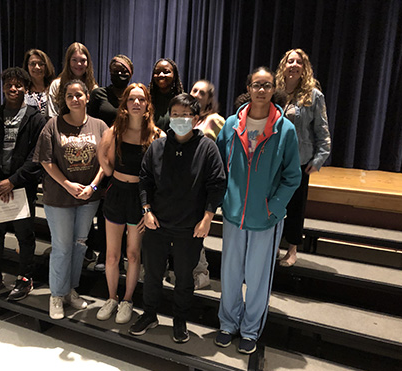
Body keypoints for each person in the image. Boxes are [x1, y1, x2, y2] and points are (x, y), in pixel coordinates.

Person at [215, 67, 301, 354]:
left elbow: (292, 176)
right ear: (248, 88)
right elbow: (217, 167)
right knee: (229, 274)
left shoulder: (285, 129)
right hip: (233, 214)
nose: (261, 90)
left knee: (257, 276)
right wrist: (225, 198)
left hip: (266, 218)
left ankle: (250, 330)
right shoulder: (230, 125)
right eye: (256, 85)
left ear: (273, 88)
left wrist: (273, 207)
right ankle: (227, 324)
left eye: (267, 85)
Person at [129, 93, 226, 343]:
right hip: (157, 223)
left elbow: (217, 185)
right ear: (169, 117)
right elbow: (145, 180)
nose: (180, 119)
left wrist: (207, 218)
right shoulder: (157, 146)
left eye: (186, 115)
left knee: (184, 278)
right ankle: (149, 314)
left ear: (195, 119)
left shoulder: (207, 148)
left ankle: (180, 319)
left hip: (189, 227)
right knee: (152, 274)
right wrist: (146, 211)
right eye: (175, 114)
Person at [33, 79, 107, 319]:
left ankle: (70, 291)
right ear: (63, 100)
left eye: (78, 95)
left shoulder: (100, 126)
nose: (74, 99)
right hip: (59, 198)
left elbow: (107, 162)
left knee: (79, 245)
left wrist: (93, 186)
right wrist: (67, 184)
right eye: (69, 96)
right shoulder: (52, 126)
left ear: (87, 97)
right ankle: (56, 295)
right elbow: (46, 161)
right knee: (62, 247)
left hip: (88, 198)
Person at [96, 83, 164, 324]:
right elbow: (104, 164)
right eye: (132, 99)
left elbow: (159, 175)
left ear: (148, 104)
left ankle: (127, 300)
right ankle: (112, 297)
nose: (136, 103)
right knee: (112, 255)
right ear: (124, 103)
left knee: (133, 255)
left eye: (141, 100)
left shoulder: (157, 135)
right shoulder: (114, 132)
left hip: (140, 198)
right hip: (116, 193)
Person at [0, 67, 46, 300]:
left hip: (21, 188)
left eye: (18, 85)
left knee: (24, 236)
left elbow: (37, 157)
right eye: (9, 85)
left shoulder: (36, 119)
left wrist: (12, 181)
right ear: (3, 87)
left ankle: (24, 278)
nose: (13, 89)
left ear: (26, 89)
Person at [275, 49, 331, 267]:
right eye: (290, 61)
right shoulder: (275, 91)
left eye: (299, 62)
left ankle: (292, 249)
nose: (294, 65)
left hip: (299, 159)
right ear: (284, 65)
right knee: (275, 204)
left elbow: (322, 129)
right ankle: (272, 245)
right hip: (275, 159)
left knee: (296, 207)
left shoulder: (314, 95)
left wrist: (318, 159)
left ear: (304, 67)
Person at [88, 55, 134, 272]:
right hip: (103, 158)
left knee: (126, 210)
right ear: (109, 71)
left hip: (128, 160)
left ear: (131, 73)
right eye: (116, 69)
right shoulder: (99, 94)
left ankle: (123, 255)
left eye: (125, 70)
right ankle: (105, 254)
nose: (120, 73)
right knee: (103, 209)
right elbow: (89, 123)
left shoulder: (134, 96)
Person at [189, 79, 226, 290]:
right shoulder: (187, 119)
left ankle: (201, 273)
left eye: (202, 93)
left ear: (209, 99)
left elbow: (221, 153)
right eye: (194, 90)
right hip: (185, 185)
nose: (196, 95)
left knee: (196, 231)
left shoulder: (215, 120)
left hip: (202, 186)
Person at [48, 42, 98, 118]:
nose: (79, 64)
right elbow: (52, 115)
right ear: (68, 62)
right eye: (74, 60)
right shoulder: (56, 85)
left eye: (83, 60)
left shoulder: (93, 88)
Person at [148, 58, 183, 131]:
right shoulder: (147, 99)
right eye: (157, 72)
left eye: (166, 72)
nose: (161, 75)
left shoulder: (182, 100)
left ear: (174, 75)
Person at [22, 49, 55, 118]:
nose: (37, 67)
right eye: (33, 64)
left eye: (41, 64)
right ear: (27, 66)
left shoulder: (54, 89)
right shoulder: (22, 90)